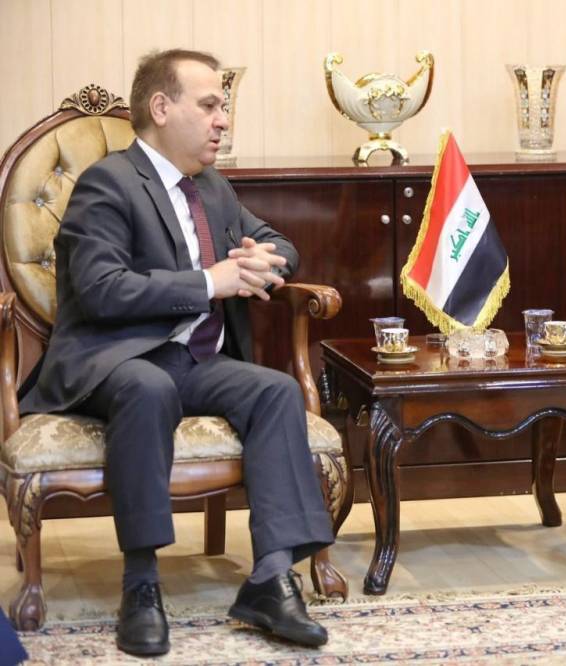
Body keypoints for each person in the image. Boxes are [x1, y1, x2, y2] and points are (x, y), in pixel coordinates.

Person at [19, 49, 333, 655]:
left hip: (197, 361)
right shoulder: (109, 183)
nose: (223, 119)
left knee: (276, 390)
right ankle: (140, 585)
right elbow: (101, 289)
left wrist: (263, 259)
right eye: (209, 105)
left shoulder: (211, 188)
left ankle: (271, 578)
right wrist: (210, 282)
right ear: (161, 108)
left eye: (223, 107)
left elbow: (277, 243)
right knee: (149, 386)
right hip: (115, 361)